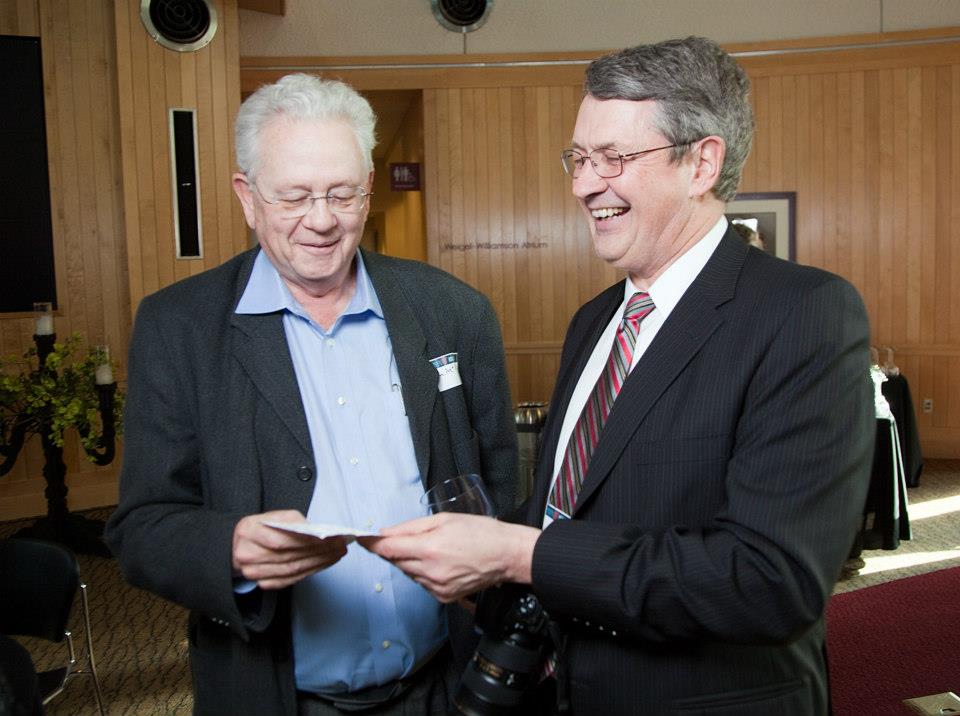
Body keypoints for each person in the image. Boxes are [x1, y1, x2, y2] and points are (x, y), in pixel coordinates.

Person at [364, 37, 874, 715]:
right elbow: (572, 507)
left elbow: (767, 581)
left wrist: (520, 555)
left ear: (702, 161)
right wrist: (469, 550)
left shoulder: (804, 313)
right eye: (578, 158)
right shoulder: (595, 320)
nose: (582, 183)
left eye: (614, 158)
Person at [104, 74, 517, 716]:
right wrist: (231, 549)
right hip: (278, 699)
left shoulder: (454, 311)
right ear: (248, 197)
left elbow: (503, 492)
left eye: (342, 194)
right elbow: (142, 526)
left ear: (368, 190)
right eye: (294, 197)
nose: (321, 221)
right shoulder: (178, 328)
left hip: (448, 687)